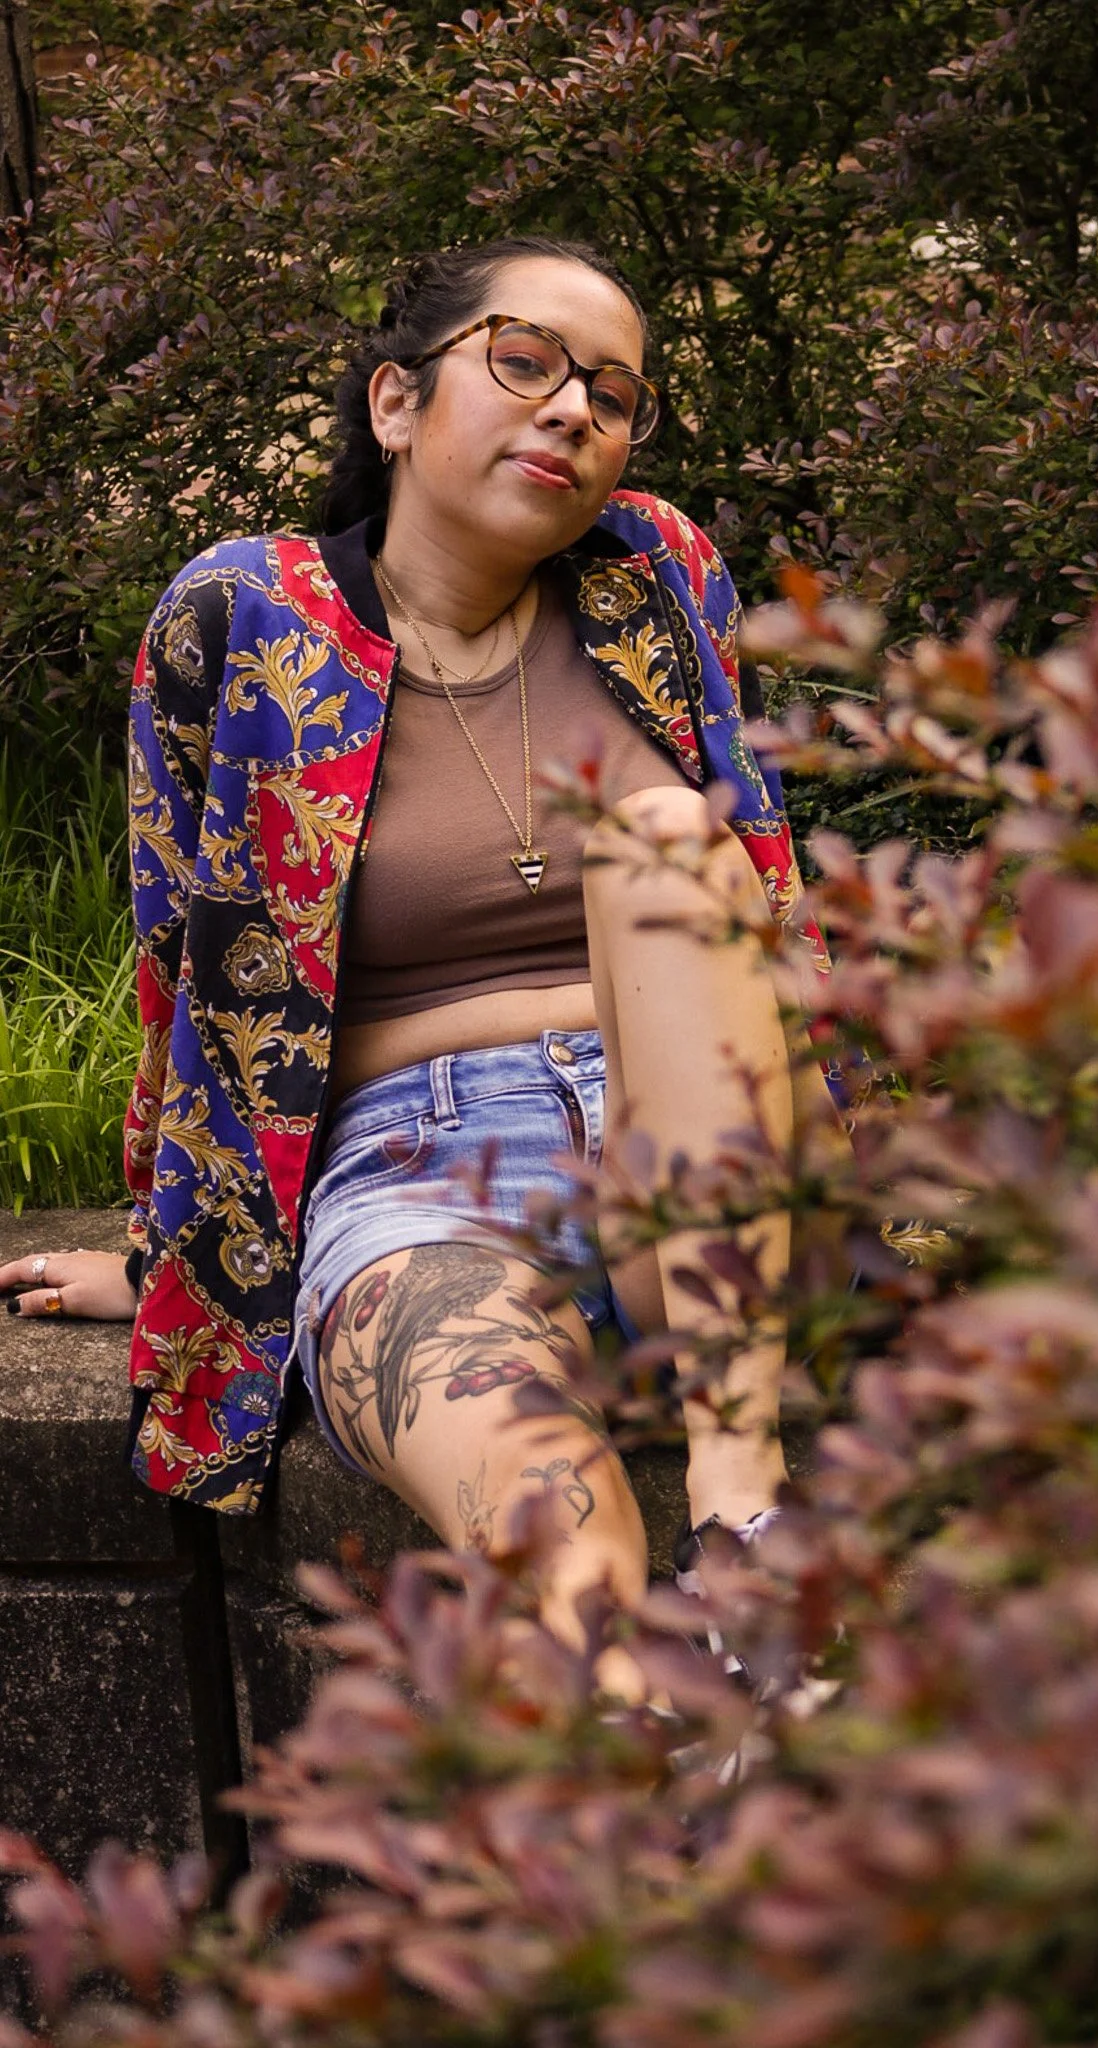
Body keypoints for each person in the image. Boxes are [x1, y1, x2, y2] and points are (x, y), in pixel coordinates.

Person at [0, 237, 836, 1698]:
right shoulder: (245, 614)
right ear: (395, 401)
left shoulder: (655, 570)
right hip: (421, 1183)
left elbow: (762, 884)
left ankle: (739, 1492)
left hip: (712, 1158)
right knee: (553, 1546)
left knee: (661, 841)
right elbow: (185, 975)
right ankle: (656, 1795)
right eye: (525, 361)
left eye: (614, 393)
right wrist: (179, 1258)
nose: (575, 408)